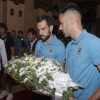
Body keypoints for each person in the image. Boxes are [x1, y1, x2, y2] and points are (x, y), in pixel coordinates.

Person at [58, 3, 100, 100]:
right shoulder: (68, 46)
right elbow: (67, 73)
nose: (60, 27)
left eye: (61, 23)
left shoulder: (93, 43)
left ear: (71, 20)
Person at [32, 15, 65, 100]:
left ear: (51, 28)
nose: (40, 33)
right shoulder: (39, 43)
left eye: (43, 29)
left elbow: (60, 72)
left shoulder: (60, 46)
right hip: (37, 86)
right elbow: (36, 62)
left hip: (50, 89)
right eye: (38, 30)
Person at [0, 23, 14, 100]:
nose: (0, 30)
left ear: (5, 29)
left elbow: (12, 51)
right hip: (1, 61)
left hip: (8, 60)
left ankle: (10, 93)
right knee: (2, 77)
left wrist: (10, 62)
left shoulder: (9, 38)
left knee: (8, 78)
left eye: (1, 28)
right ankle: (4, 91)